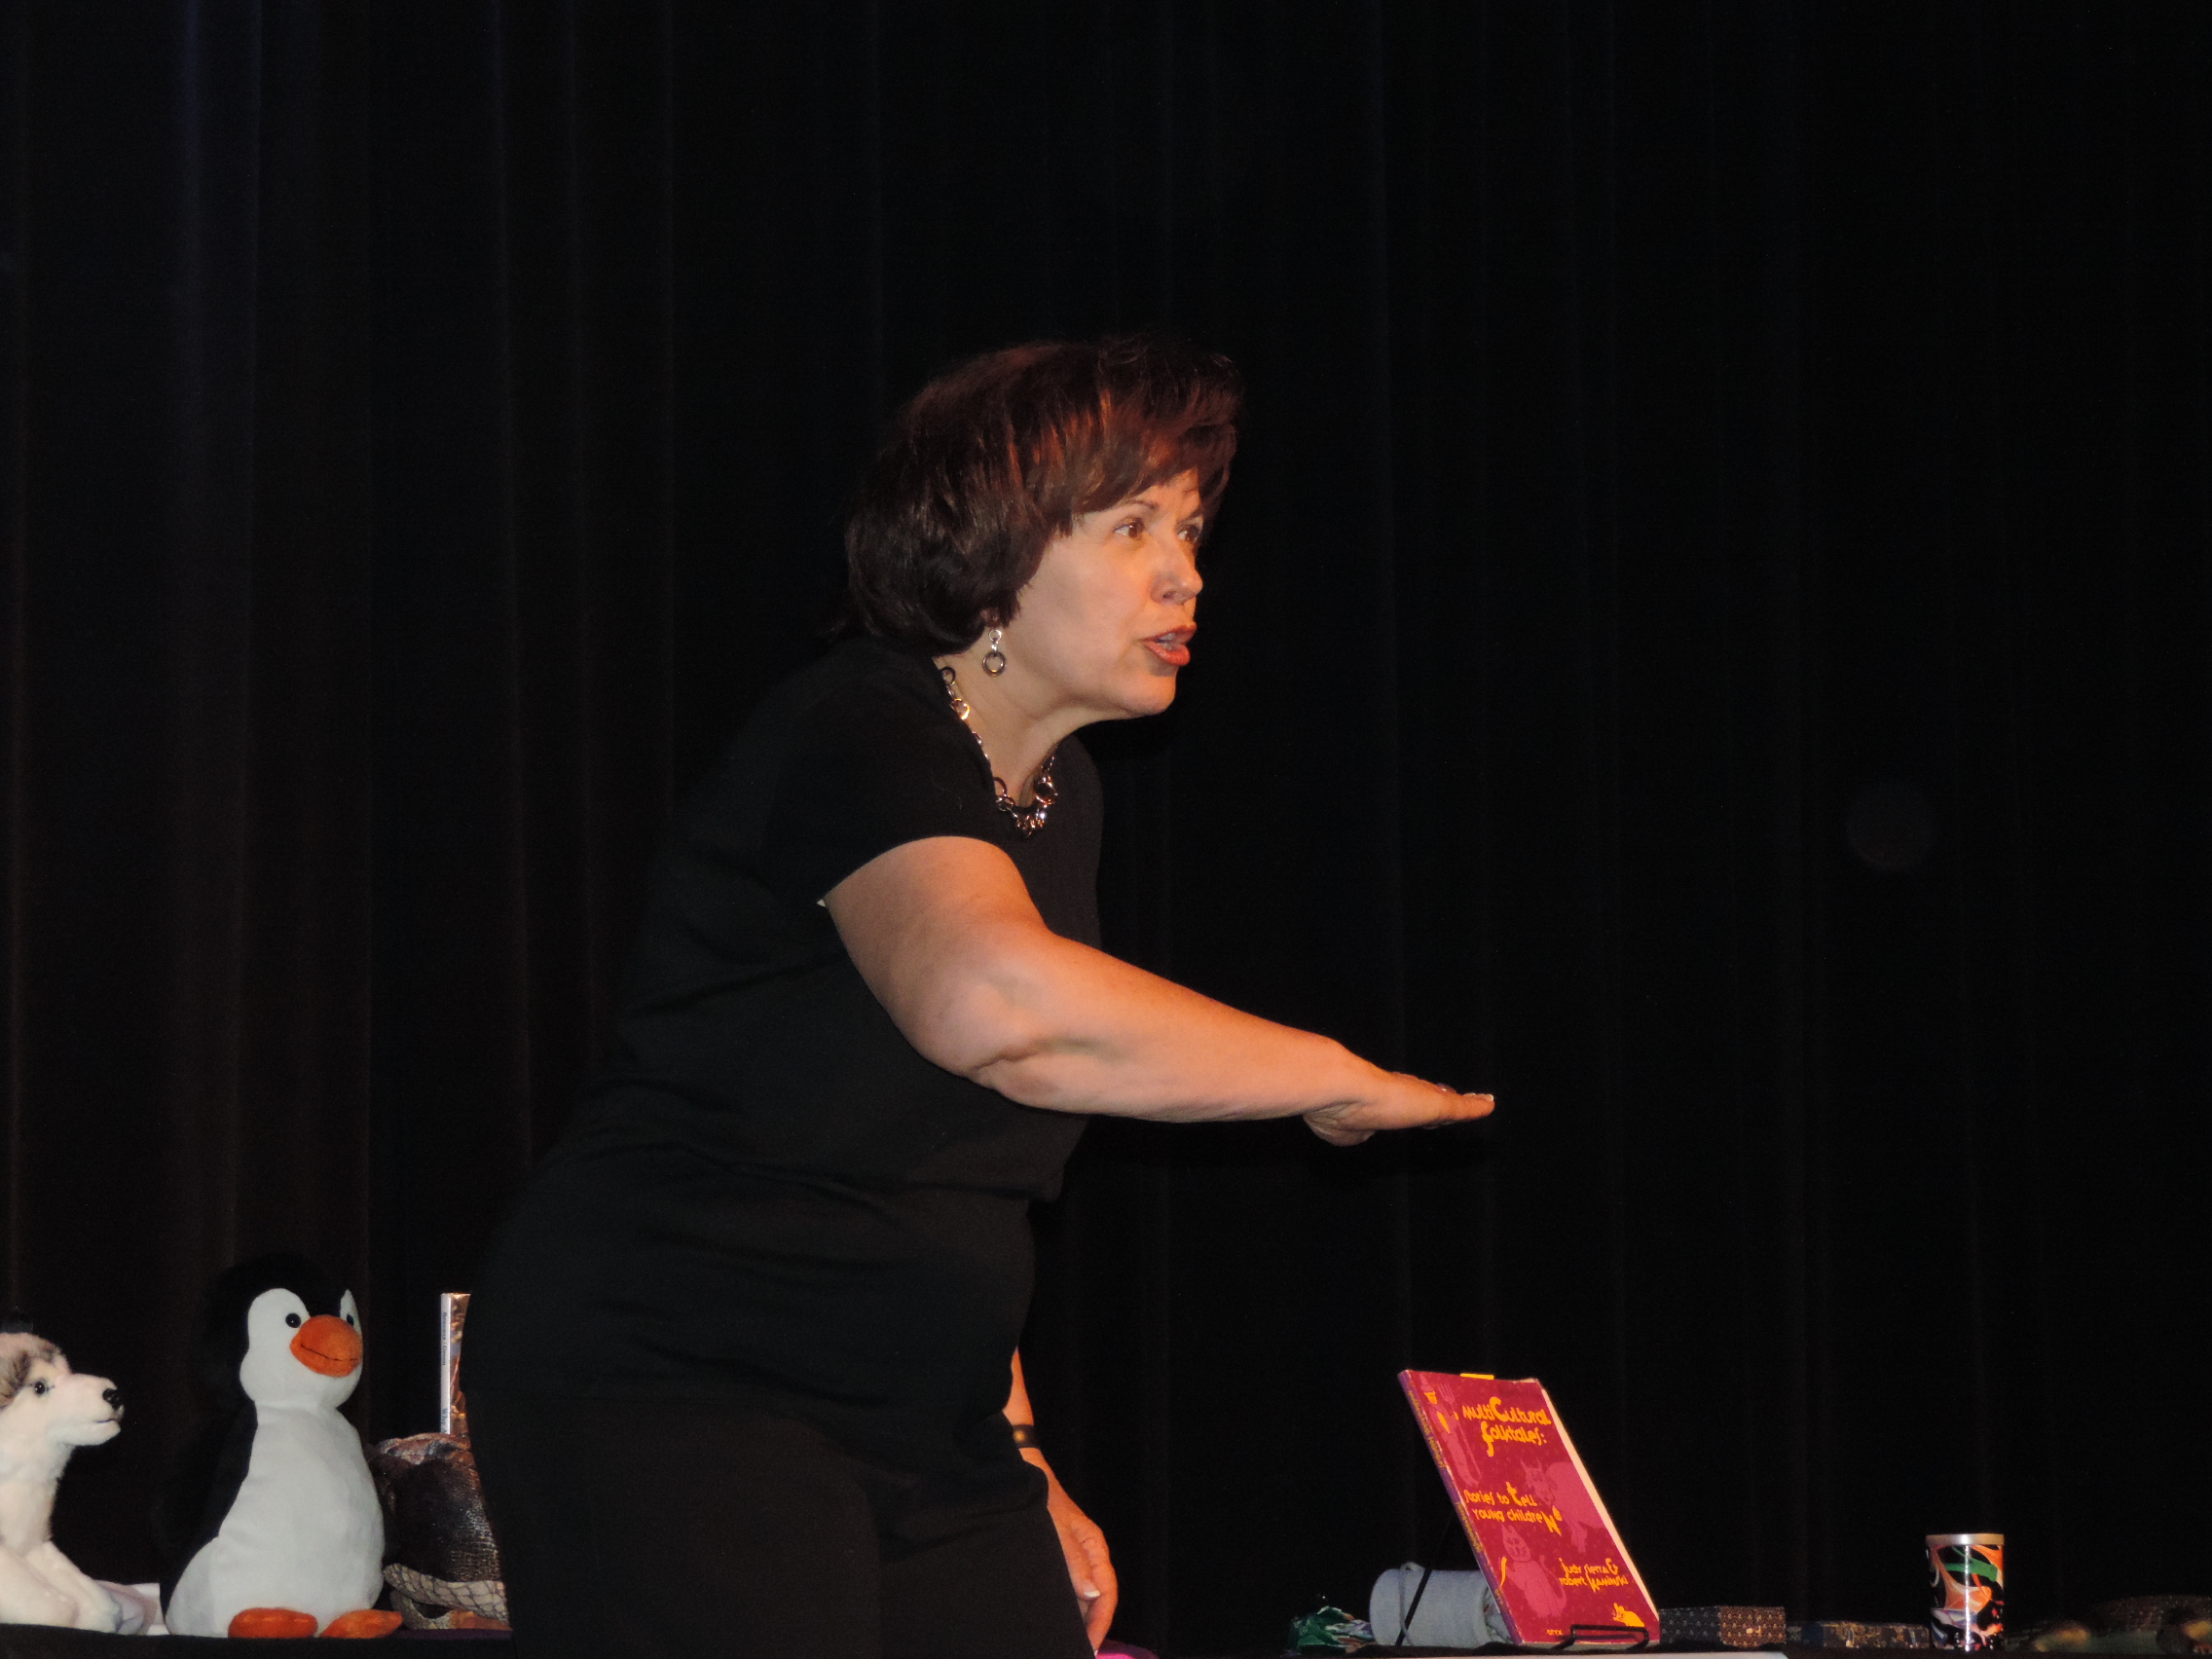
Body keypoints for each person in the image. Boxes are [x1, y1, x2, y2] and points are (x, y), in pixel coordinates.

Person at [463, 336, 1493, 1659]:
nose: (1186, 574)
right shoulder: (857, 728)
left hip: (921, 1423)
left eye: (1189, 530)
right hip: (677, 1373)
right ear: (993, 551)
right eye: (1133, 528)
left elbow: (957, 1174)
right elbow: (994, 1011)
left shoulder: (1061, 797)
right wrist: (1330, 1076)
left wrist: (1021, 1453)